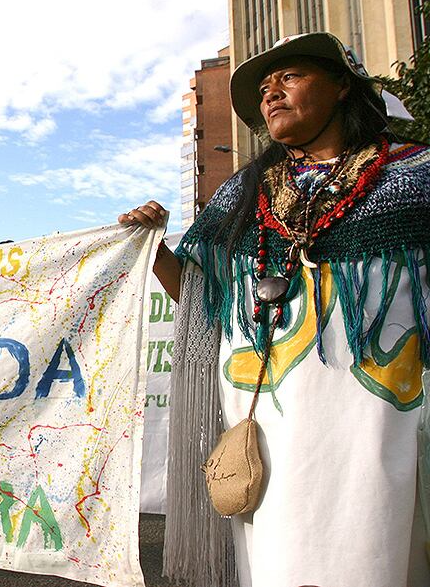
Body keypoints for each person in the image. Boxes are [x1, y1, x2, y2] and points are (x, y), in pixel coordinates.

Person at [122, 33, 430, 587]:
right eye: (264, 88)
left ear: (342, 86)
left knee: (378, 547)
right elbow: (200, 296)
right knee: (277, 559)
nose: (271, 95)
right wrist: (154, 248)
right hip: (269, 425)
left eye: (288, 78)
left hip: (381, 415)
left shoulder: (415, 177)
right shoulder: (241, 192)